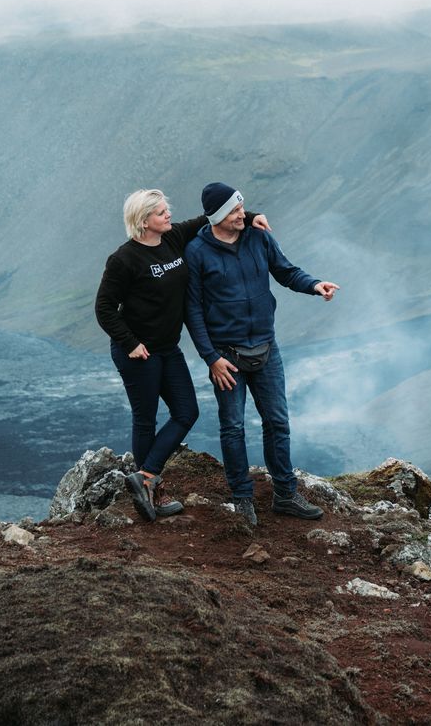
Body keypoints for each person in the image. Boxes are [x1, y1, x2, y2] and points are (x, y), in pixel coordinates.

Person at [95, 188, 269, 522]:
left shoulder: (173, 239)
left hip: (167, 348)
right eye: (161, 213)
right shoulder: (124, 259)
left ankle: (145, 478)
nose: (169, 215)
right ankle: (152, 491)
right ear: (144, 221)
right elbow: (104, 308)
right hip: (138, 354)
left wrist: (250, 215)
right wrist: (130, 342)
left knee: (186, 412)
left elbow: (211, 216)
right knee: (145, 418)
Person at [184, 182, 339, 525]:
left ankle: (285, 494)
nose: (244, 214)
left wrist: (315, 285)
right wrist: (211, 357)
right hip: (227, 356)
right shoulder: (197, 252)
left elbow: (286, 271)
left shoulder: (259, 237)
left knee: (278, 422)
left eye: (242, 208)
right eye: (236, 210)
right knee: (233, 427)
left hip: (267, 348)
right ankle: (242, 499)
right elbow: (192, 310)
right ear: (219, 216)